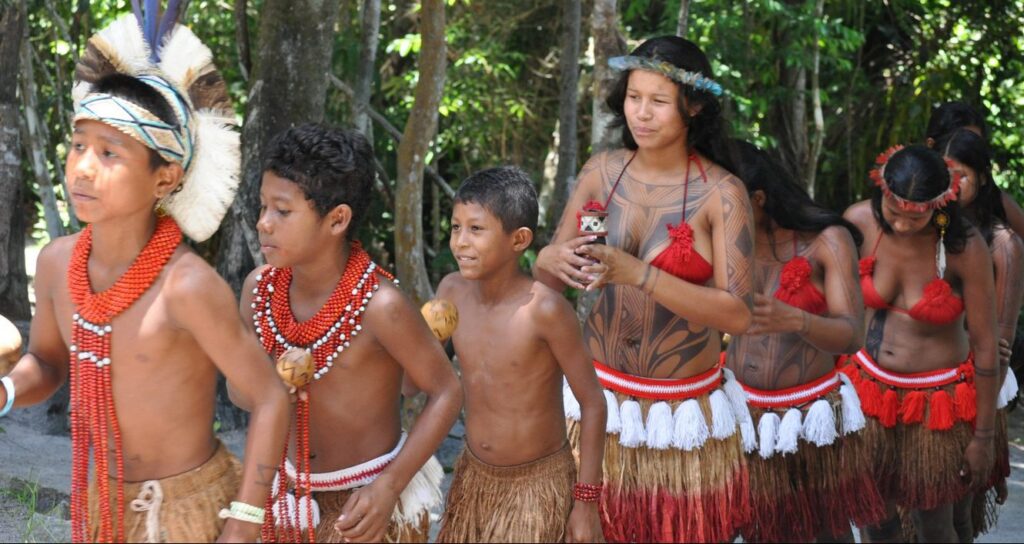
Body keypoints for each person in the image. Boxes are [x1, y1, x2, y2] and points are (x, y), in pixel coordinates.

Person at [0, 10, 290, 543]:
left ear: (166, 177)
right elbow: (47, 362)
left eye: (110, 153)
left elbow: (271, 397)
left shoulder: (187, 286)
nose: (83, 167)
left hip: (189, 511)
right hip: (102, 507)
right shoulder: (56, 263)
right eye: (79, 144)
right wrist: (6, 389)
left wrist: (244, 524)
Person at [534, 36, 757, 543]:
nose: (642, 113)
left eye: (658, 101)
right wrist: (547, 258)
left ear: (693, 106)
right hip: (594, 404)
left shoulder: (722, 194)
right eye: (634, 97)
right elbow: (549, 278)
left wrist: (640, 274)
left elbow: (738, 315)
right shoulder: (602, 172)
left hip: (680, 417)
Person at [235, 123, 462, 543]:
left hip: (365, 505)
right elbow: (237, 395)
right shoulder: (258, 289)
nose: (263, 223)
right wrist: (268, 383)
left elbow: (446, 391)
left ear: (337, 219)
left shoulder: (381, 306)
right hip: (287, 498)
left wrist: (389, 485)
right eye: (262, 206)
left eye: (282, 211)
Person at [433, 166, 606, 543]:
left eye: (476, 229)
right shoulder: (450, 293)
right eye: (455, 228)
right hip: (473, 481)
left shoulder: (545, 310)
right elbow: (417, 386)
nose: (460, 241)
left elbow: (593, 404)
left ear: (519, 239)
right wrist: (421, 339)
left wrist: (586, 503)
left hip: (537, 487)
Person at [725, 141, 885, 542]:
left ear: (758, 199)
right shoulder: (727, 244)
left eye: (728, 201)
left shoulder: (827, 240)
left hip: (810, 412)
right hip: (744, 413)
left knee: (825, 529)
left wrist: (795, 319)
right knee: (762, 531)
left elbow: (851, 335)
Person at [840, 144, 999, 542]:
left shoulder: (965, 248)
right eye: (894, 214)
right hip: (867, 395)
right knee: (875, 518)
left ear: (941, 203)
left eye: (918, 217)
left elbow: (985, 344)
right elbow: (835, 312)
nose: (904, 225)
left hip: (937, 403)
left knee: (934, 523)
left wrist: (983, 437)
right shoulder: (858, 221)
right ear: (881, 192)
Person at [936, 128, 1023, 535]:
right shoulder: (924, 226)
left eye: (962, 176)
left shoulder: (1002, 243)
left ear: (983, 178)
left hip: (975, 385)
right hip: (921, 386)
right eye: (945, 175)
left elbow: (998, 345)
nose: (952, 187)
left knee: (957, 511)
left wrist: (983, 430)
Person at [925, 102, 1024, 238]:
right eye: (960, 142)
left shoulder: (994, 200)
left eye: (975, 144)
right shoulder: (908, 189)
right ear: (931, 146)